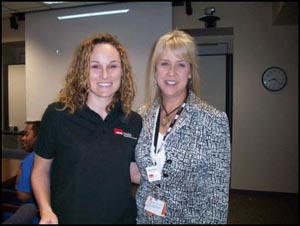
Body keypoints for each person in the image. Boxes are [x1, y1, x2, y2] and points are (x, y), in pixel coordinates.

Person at [31, 33, 142, 224]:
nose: (105, 75)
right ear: (82, 71)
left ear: (123, 71)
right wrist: (46, 210)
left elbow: (132, 172)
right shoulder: (57, 115)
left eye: (112, 66)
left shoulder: (133, 121)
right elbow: (40, 171)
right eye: (95, 66)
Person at [134, 29, 231, 224]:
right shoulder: (142, 115)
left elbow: (217, 196)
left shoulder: (213, 120)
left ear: (190, 72)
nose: (171, 72)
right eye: (164, 64)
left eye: (181, 64)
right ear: (155, 71)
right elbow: (141, 174)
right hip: (144, 218)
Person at [15, 121, 41, 204]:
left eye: (26, 134)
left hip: (32, 212)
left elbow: (23, 196)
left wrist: (18, 181)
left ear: (38, 137)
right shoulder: (56, 155)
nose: (23, 138)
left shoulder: (30, 160)